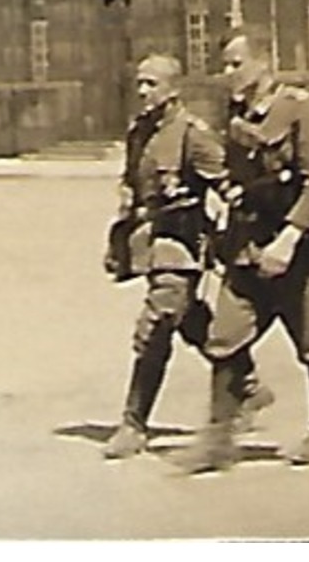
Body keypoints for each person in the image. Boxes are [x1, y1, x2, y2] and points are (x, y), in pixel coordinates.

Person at [179, 25, 309, 472]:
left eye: (236, 63)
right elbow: (234, 174)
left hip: (295, 250)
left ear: (263, 63)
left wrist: (291, 238)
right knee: (223, 340)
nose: (228, 73)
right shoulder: (233, 114)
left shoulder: (295, 109)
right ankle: (218, 438)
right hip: (249, 247)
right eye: (225, 65)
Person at [102, 54, 271, 459]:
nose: (142, 92)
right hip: (150, 244)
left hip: (182, 247)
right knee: (190, 319)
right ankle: (246, 384)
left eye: (152, 84)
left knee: (156, 324)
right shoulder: (139, 133)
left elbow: (231, 185)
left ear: (173, 89)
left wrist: (244, 236)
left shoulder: (193, 135)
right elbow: (132, 181)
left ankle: (133, 423)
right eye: (139, 84)